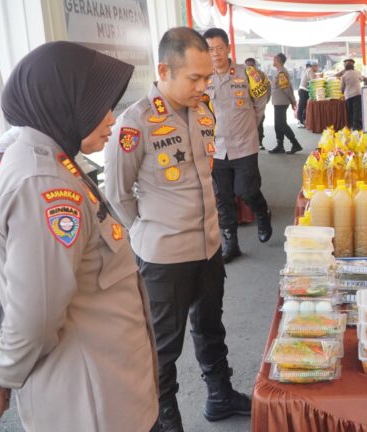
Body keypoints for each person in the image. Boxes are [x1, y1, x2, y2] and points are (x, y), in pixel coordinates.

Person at [0, 41, 158, 431]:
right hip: (93, 405)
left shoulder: (55, 160)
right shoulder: (44, 186)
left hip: (109, 383)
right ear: (60, 102)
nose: (111, 120)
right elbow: (36, 315)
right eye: (97, 107)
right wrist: (2, 374)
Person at [104, 27, 251, 432]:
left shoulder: (204, 110)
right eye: (195, 78)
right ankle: (165, 419)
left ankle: (219, 395)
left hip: (208, 248)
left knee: (210, 327)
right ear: (164, 70)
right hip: (165, 258)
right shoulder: (134, 124)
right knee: (163, 348)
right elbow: (116, 195)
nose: (204, 85)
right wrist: (150, 233)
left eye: (207, 77)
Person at [203, 28, 273, 264]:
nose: (215, 54)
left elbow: (261, 102)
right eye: (210, 49)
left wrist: (252, 125)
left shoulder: (247, 74)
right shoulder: (202, 78)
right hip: (216, 148)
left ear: (228, 48)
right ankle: (230, 244)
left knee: (246, 191)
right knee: (222, 198)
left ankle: (262, 214)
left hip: (244, 145)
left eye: (219, 48)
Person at [269, 52, 302, 154]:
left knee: (281, 124)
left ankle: (295, 144)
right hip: (278, 102)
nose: (273, 61)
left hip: (281, 102)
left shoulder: (281, 72)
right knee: (277, 125)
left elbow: (286, 89)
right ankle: (280, 145)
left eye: (274, 59)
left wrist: (293, 101)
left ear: (278, 60)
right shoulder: (280, 71)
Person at [245, 57, 269, 150]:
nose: (249, 67)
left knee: (260, 122)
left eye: (251, 65)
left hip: (258, 104)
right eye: (247, 65)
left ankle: (260, 142)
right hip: (247, 105)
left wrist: (266, 100)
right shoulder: (243, 75)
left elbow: (267, 86)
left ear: (254, 65)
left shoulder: (261, 74)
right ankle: (250, 143)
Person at [341, 58, 363, 130]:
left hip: (348, 95)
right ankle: (357, 127)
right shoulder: (357, 72)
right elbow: (361, 79)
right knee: (357, 111)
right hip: (357, 93)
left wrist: (342, 93)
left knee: (350, 111)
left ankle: (352, 126)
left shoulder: (344, 75)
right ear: (353, 67)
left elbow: (342, 87)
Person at [297, 61, 318, 128]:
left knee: (304, 107)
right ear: (313, 66)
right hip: (303, 90)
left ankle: (303, 120)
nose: (317, 68)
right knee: (301, 106)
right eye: (316, 66)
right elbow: (313, 80)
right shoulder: (310, 70)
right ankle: (299, 121)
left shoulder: (308, 70)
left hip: (304, 90)